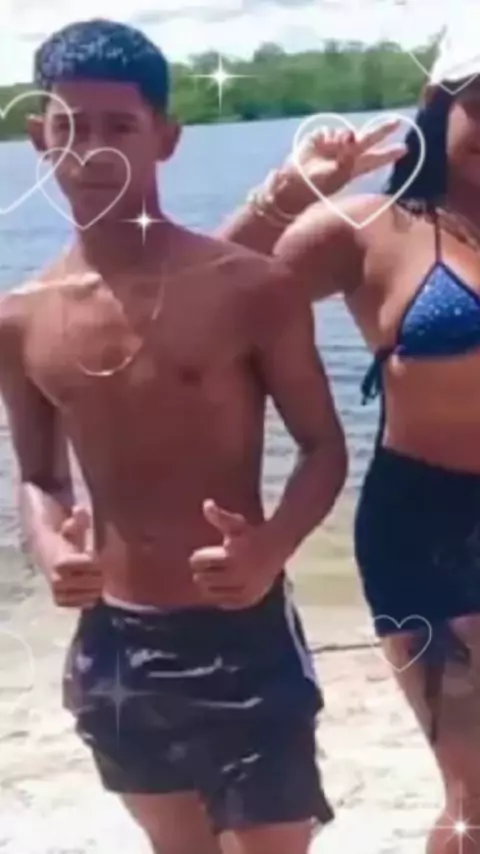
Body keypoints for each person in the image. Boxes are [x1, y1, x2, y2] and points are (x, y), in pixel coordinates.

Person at [0, 18, 378, 854]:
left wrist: (271, 547)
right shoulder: (20, 318)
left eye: (120, 126)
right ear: (40, 138)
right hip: (117, 640)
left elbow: (323, 446)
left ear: (166, 138)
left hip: (241, 628)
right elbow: (38, 474)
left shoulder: (251, 287)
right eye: (71, 127)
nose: (93, 149)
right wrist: (50, 547)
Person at [222, 28, 480, 854]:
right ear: (438, 105)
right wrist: (288, 193)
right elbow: (207, 293)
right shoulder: (370, 228)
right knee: (478, 799)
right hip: (432, 533)